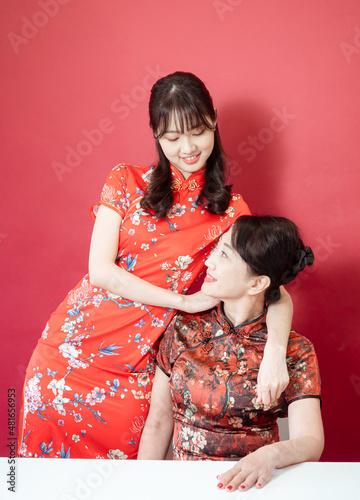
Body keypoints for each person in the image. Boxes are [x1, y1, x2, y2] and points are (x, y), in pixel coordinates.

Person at [18, 72, 293, 460]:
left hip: (139, 370)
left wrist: (276, 352)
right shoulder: (124, 181)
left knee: (124, 482)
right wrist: (182, 302)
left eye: (197, 131)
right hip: (66, 355)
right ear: (156, 134)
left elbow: (274, 291)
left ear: (214, 119)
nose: (187, 148)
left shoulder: (232, 212)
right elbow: (101, 272)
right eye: (172, 137)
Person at [138, 215, 324, 492]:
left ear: (257, 284)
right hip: (183, 485)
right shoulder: (183, 328)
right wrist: (140, 488)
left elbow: (310, 442)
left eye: (224, 255)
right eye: (216, 249)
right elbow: (157, 422)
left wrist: (271, 455)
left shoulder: (296, 349)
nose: (209, 262)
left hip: (256, 486)